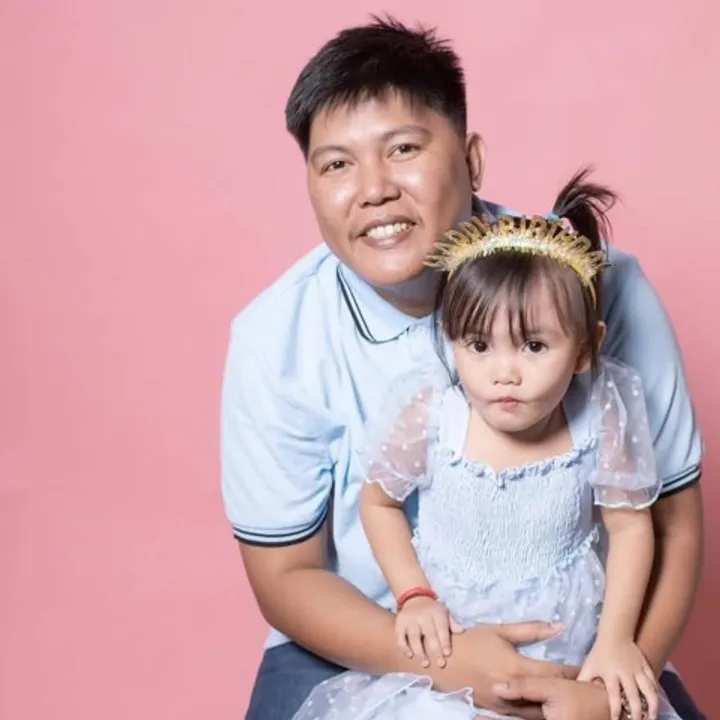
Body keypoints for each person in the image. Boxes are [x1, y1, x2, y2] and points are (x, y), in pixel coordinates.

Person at [221, 16, 704, 720]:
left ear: (472, 159)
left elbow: (672, 526)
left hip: (580, 635)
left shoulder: (597, 286)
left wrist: (611, 684)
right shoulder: (274, 338)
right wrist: (449, 663)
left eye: (403, 149)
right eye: (336, 165)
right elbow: (286, 573)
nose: (374, 189)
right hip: (361, 633)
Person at [291, 173, 679, 720]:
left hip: (569, 643)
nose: (504, 373)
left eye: (534, 346)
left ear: (585, 350)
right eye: (478, 345)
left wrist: (615, 640)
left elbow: (631, 526)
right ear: (451, 340)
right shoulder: (434, 414)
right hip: (455, 644)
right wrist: (413, 596)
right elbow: (379, 503)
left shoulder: (599, 416)